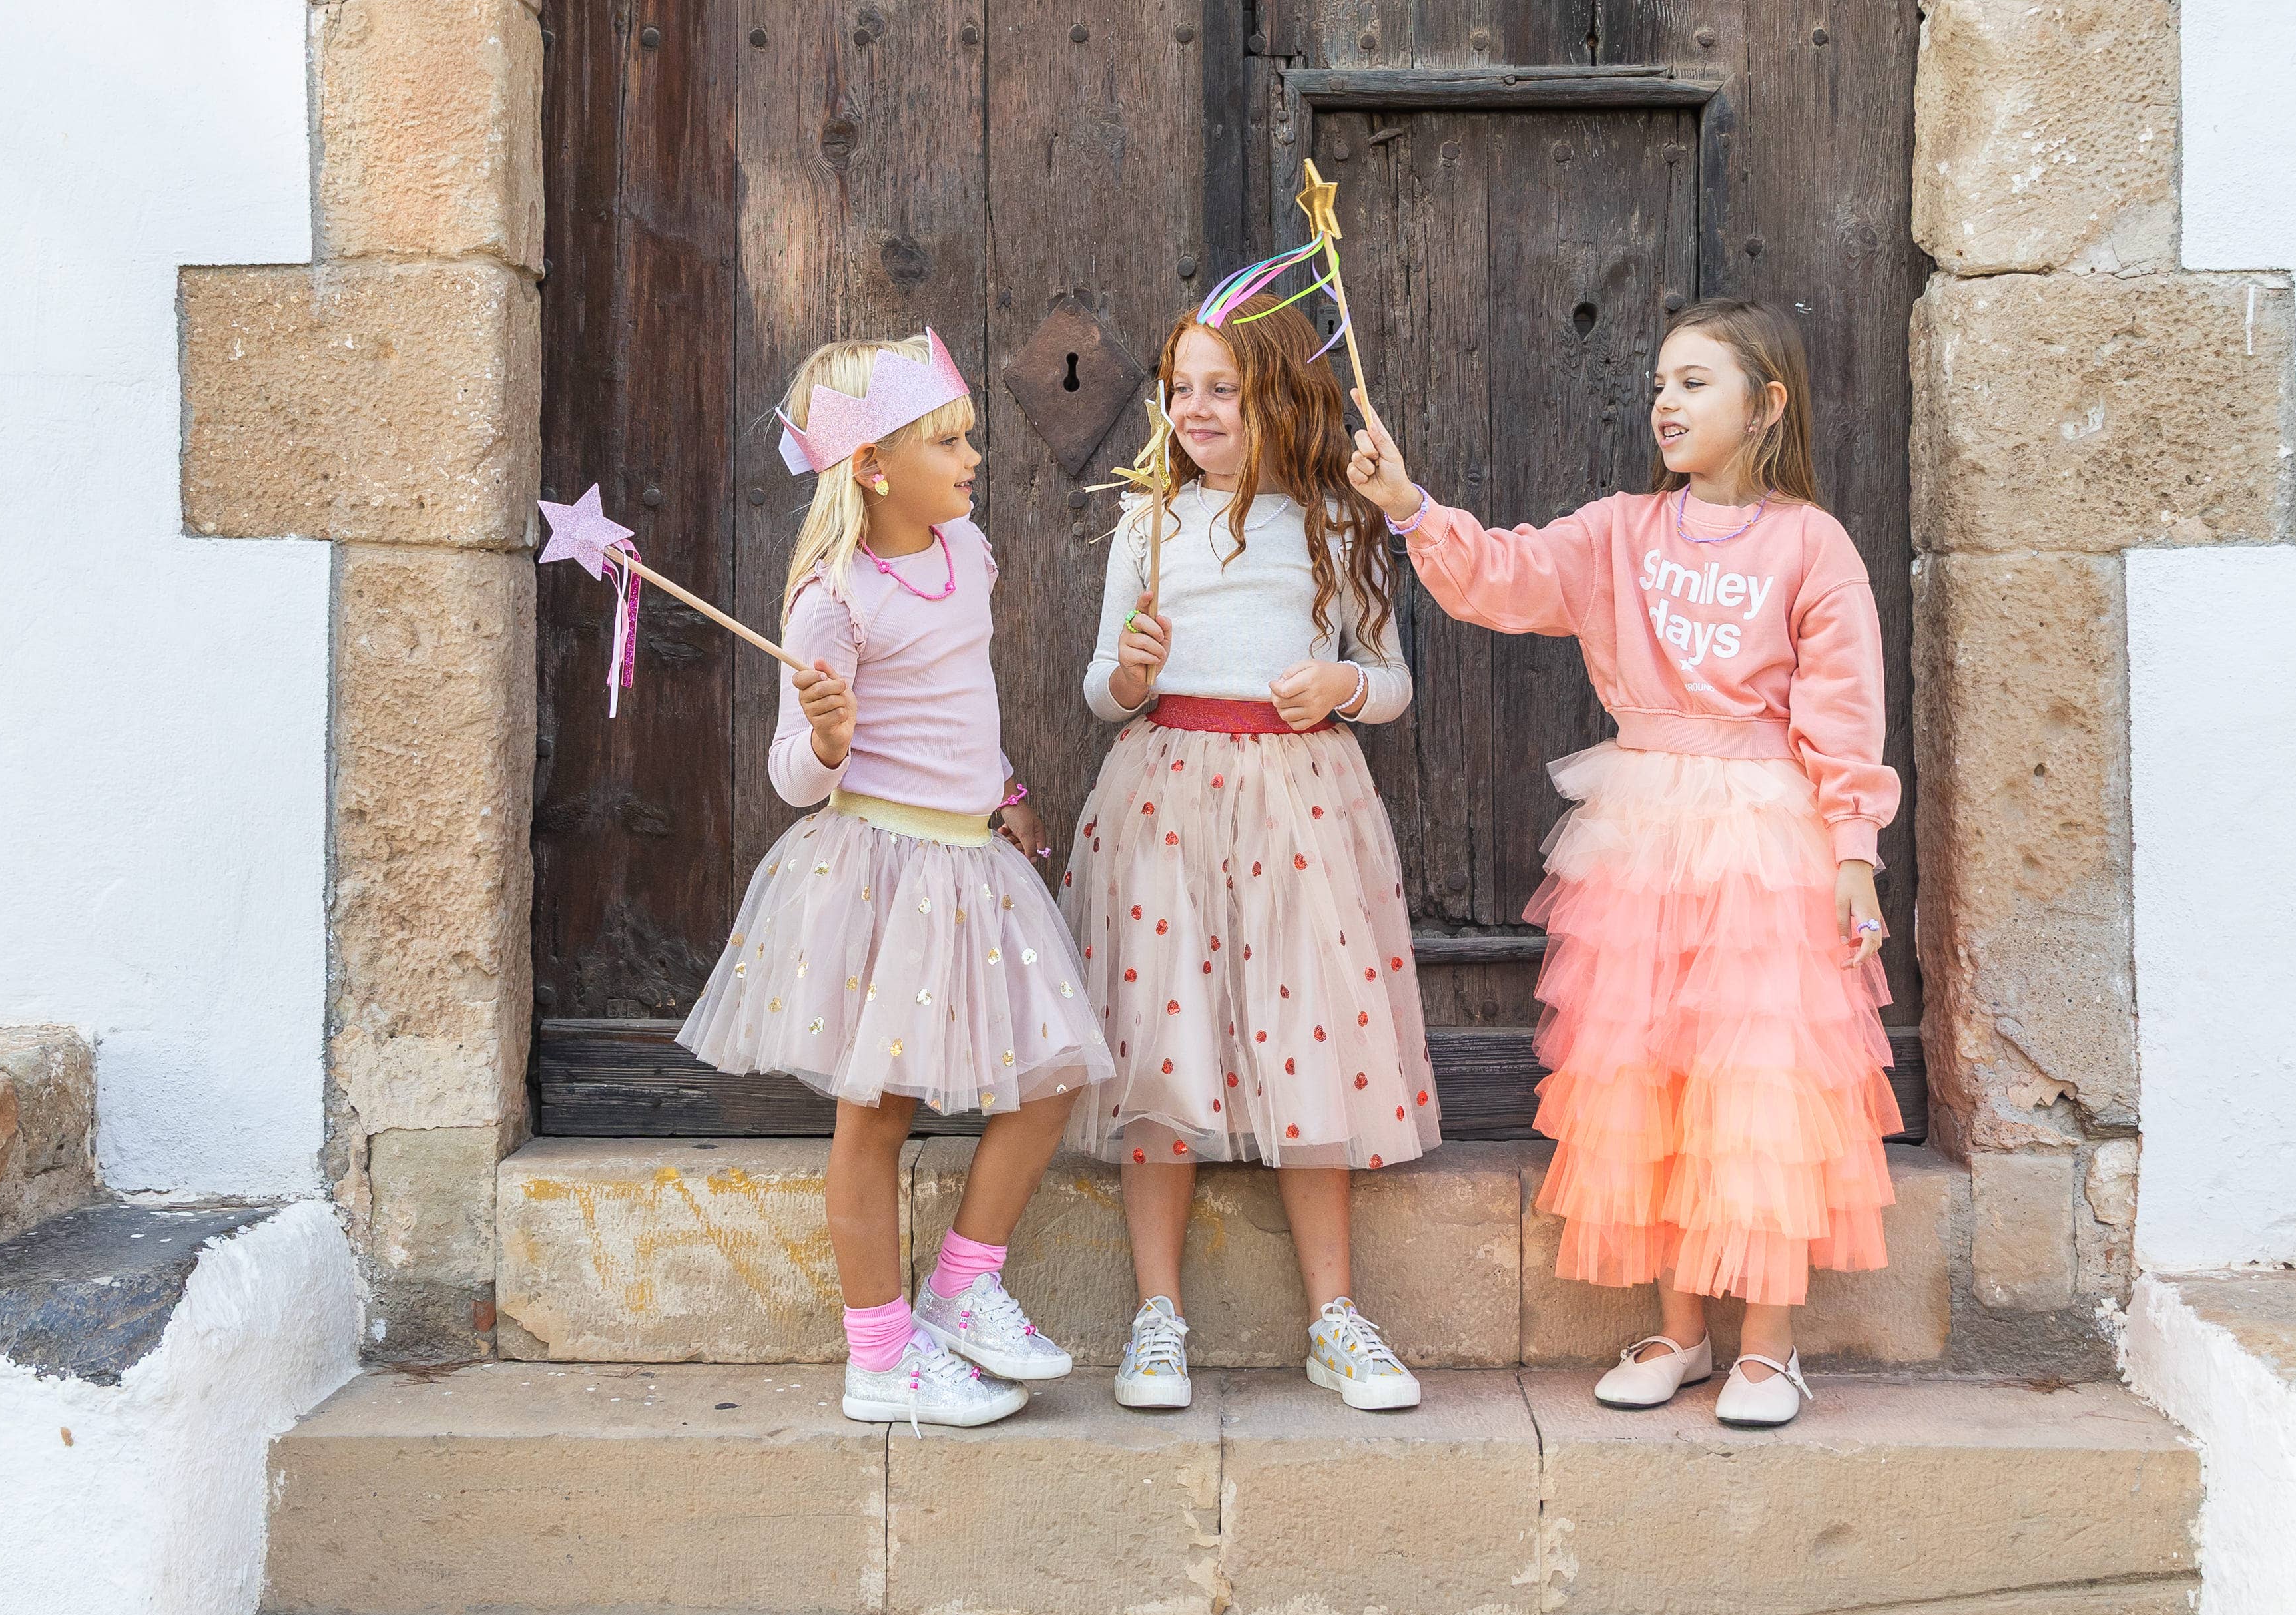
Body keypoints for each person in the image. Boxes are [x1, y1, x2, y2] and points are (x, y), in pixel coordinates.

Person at [1347, 302, 1898, 1430]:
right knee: (1647, 1072)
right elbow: (1506, 576)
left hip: (1762, 838)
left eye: (1694, 383)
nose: (1666, 404)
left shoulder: (1812, 545)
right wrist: (1410, 508)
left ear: (1766, 405)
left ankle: (1768, 1349)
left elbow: (1844, 710)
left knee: (1757, 1085)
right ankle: (1680, 1332)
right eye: (1659, 384)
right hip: (1641, 830)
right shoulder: (1619, 533)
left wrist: (1853, 851)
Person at [677, 329, 1112, 1427]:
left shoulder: (970, 552)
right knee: (876, 1115)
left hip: (972, 862)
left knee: (1053, 1074)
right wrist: (827, 740)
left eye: (967, 437)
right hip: (881, 871)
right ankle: (877, 1358)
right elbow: (792, 777)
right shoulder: (832, 599)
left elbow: (961, 697)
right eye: (947, 441)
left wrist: (1004, 786)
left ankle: (963, 1289)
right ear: (872, 465)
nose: (973, 457)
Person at [1064, 292, 1436, 1414]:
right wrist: (1131, 674)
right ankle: (1157, 1316)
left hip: (1298, 801)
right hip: (1165, 796)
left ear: (1281, 396)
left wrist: (1342, 685)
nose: (1194, 409)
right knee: (1159, 1039)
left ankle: (1334, 1317)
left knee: (1309, 1034)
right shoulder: (1148, 523)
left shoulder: (1338, 523)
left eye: (1221, 388)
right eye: (1179, 389)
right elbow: (1101, 689)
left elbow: (1392, 680)